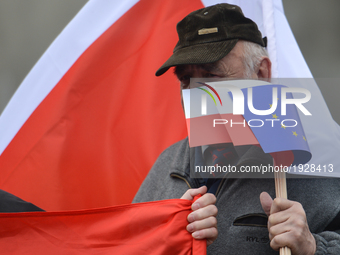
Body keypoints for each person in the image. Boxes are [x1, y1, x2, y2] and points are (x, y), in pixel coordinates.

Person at [133, 3, 340, 254]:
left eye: (212, 76)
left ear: (261, 73)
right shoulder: (167, 164)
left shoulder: (321, 156)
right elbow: (128, 244)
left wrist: (312, 246)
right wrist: (166, 239)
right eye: (186, 80)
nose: (196, 94)